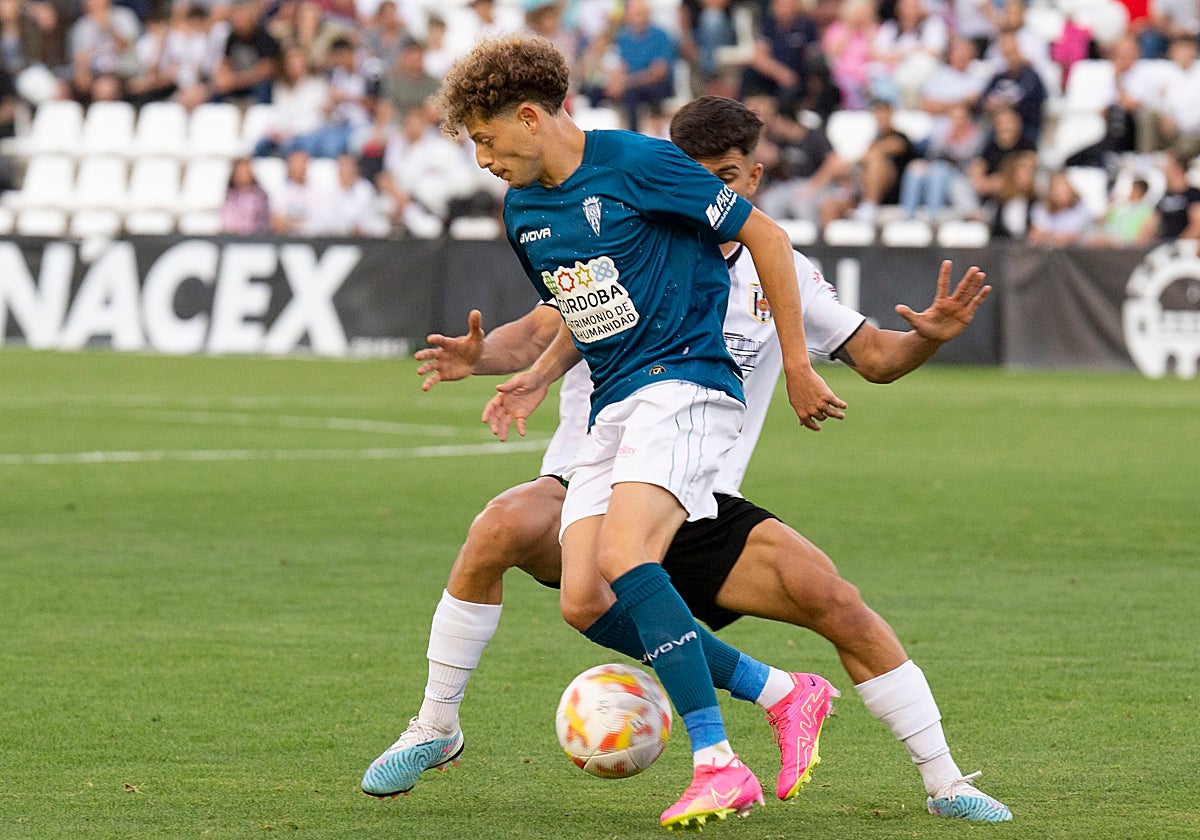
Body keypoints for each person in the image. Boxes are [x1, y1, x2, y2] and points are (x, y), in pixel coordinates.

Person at [361, 93, 1012, 824]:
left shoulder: (779, 272)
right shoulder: (632, 217)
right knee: (506, 527)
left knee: (837, 603)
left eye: (727, 176)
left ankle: (946, 780)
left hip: (697, 491)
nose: (711, 193)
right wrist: (496, 361)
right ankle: (436, 725)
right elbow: (552, 322)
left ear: (753, 178)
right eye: (697, 175)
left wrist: (926, 338)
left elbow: (878, 358)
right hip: (598, 463)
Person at [366, 36, 848, 831]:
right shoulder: (525, 212)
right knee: (584, 600)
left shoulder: (640, 163)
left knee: (626, 557)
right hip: (616, 404)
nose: (481, 158)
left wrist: (797, 363)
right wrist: (508, 364)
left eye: (485, 138)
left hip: (689, 384)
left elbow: (767, 237)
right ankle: (783, 690)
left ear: (528, 117)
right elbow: (589, 309)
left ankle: (718, 765)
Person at [220, 156, 271, 234]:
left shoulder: (260, 195)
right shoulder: (229, 195)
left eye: (245, 171)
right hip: (232, 239)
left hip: (255, 239)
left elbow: (263, 222)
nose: (242, 175)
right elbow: (226, 221)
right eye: (239, 171)